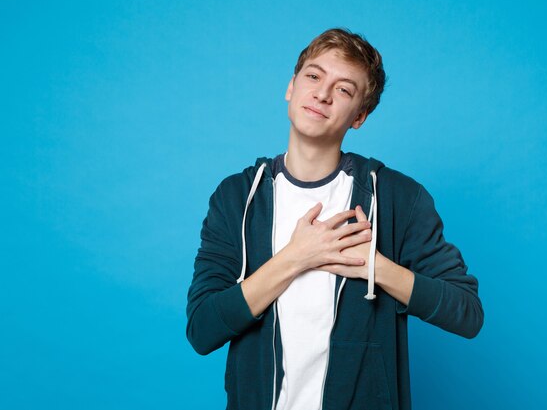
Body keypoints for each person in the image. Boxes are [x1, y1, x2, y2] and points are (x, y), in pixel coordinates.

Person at [186, 28, 483, 410]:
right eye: (313, 76)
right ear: (291, 87)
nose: (322, 94)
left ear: (359, 116)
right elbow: (202, 329)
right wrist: (296, 258)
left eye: (343, 89)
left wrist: (374, 266)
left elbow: (468, 314)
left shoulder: (397, 198)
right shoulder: (237, 197)